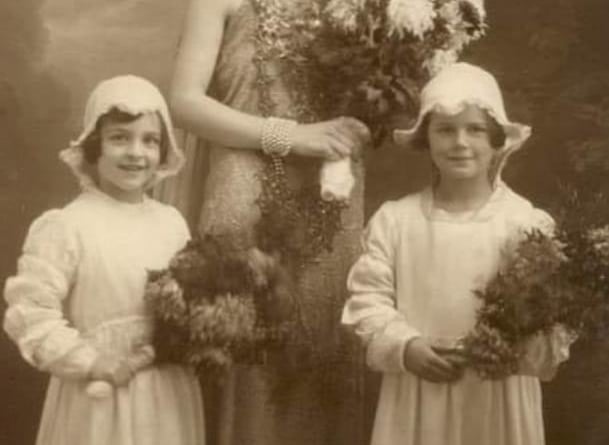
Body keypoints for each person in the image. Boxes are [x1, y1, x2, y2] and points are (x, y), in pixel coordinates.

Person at [159, 0, 372, 444]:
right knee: (248, 352)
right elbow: (183, 102)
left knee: (329, 339)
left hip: (332, 190)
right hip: (245, 189)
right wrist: (291, 136)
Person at [342, 62, 573, 445]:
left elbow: (551, 320)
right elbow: (368, 298)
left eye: (475, 130)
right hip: (416, 393)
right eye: (446, 130)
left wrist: (510, 350)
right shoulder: (396, 220)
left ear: (497, 139)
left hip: (497, 395)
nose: (460, 142)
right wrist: (405, 346)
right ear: (427, 138)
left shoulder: (525, 224)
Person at [3, 75, 204, 445]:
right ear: (94, 147)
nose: (136, 152)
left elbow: (189, 302)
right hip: (98, 396)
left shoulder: (171, 223)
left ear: (163, 152)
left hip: (166, 393)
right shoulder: (68, 225)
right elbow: (30, 314)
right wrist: (90, 362)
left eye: (150, 140)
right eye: (119, 138)